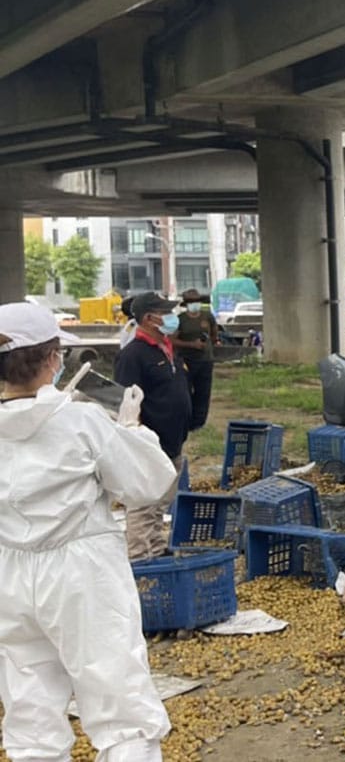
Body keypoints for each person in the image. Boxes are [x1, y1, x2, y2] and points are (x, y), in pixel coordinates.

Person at [0, 301, 177, 762]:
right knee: (121, 709)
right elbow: (148, 483)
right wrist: (131, 430)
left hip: (11, 575)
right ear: (51, 359)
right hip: (81, 573)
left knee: (30, 710)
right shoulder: (80, 421)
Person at [113, 292, 193, 561]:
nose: (173, 317)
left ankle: (156, 548)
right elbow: (126, 402)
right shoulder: (133, 355)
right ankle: (139, 557)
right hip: (149, 444)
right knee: (143, 504)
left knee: (160, 502)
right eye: (166, 312)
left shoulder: (167, 347)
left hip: (173, 440)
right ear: (149, 318)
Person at [173, 289, 219, 431]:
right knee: (185, 391)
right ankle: (186, 419)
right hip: (186, 360)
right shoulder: (181, 319)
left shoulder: (208, 317)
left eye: (196, 301)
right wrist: (192, 345)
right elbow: (173, 340)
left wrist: (208, 345)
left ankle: (199, 422)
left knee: (203, 392)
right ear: (186, 304)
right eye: (191, 302)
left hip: (205, 360)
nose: (195, 304)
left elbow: (214, 334)